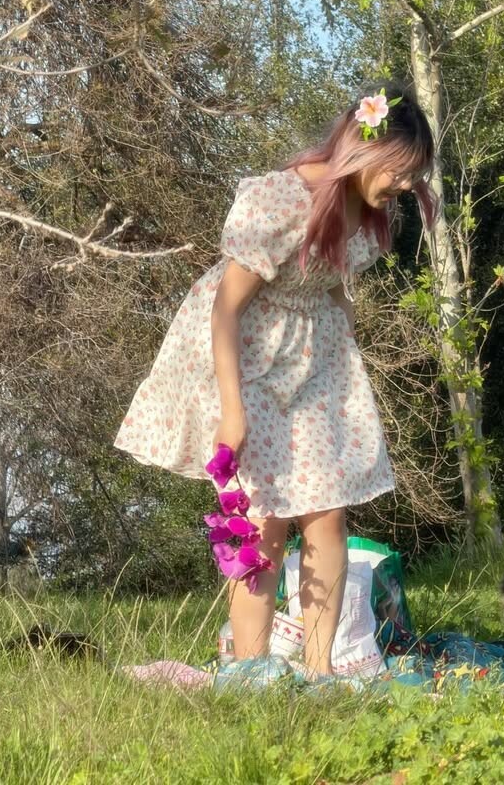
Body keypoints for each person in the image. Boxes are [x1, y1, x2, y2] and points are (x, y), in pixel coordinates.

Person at [113, 84, 436, 679]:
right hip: (249, 356)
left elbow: (332, 282)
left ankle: (320, 672)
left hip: (315, 361)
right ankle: (252, 672)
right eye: (399, 170)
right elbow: (226, 308)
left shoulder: (367, 214)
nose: (405, 186)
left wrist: (344, 337)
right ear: (365, 149)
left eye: (413, 176)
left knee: (327, 514)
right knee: (264, 520)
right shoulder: (281, 201)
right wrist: (231, 412)